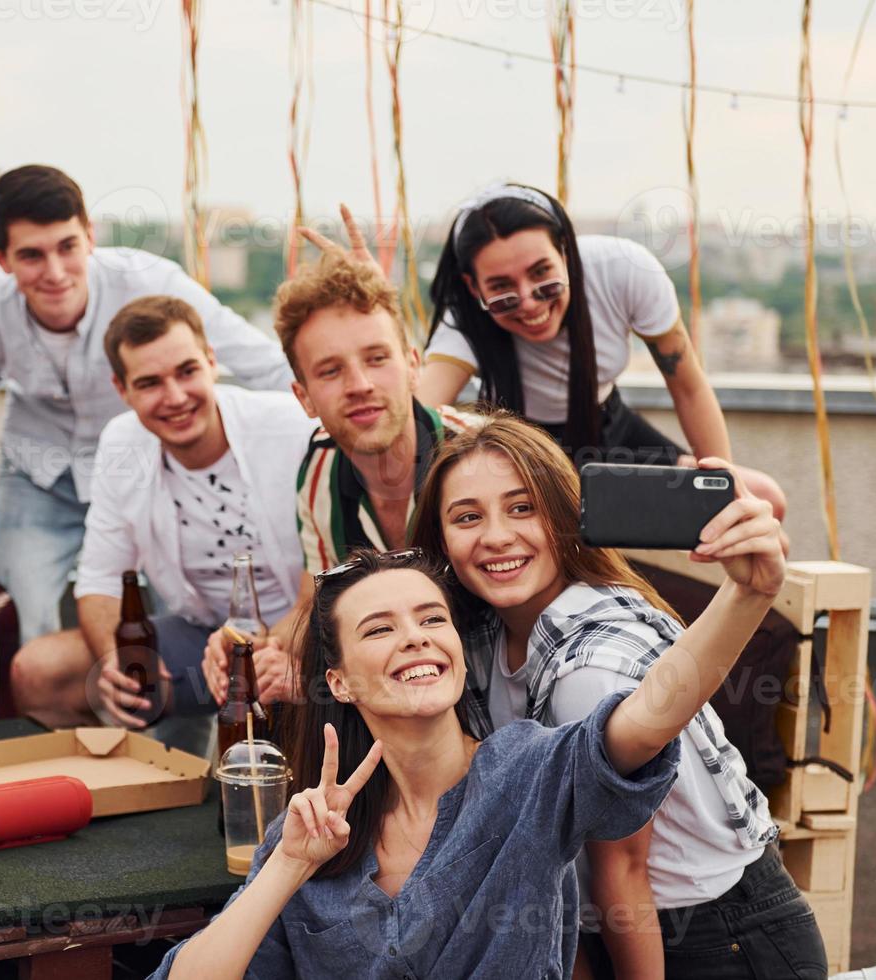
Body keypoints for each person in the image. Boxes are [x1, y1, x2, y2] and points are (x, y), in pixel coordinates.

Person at [153, 485, 788, 978]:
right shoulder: (308, 832)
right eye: (378, 629)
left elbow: (648, 716)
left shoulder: (528, 773)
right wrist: (288, 866)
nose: (414, 637)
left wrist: (747, 595)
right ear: (339, 682)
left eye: (432, 618)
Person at [409, 413, 825, 978]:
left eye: (522, 507)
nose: (497, 535)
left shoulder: (589, 672)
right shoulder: (483, 635)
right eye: (467, 517)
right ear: (440, 539)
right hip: (620, 922)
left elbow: (623, 873)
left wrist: (749, 591)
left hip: (712, 935)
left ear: (564, 516)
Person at [0, 165, 293, 643]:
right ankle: (62, 715)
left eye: (67, 247)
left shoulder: (152, 280)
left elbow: (253, 357)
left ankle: (173, 707)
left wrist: (337, 413)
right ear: (1, 257)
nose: (55, 273)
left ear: (90, 236)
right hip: (38, 474)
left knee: (177, 614)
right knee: (24, 613)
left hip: (145, 470)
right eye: (32, 256)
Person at [9, 295, 313, 744]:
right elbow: (99, 581)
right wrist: (114, 660)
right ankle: (129, 796)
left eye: (187, 372)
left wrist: (279, 646)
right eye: (150, 383)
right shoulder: (122, 442)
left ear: (211, 362)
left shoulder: (291, 427)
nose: (175, 398)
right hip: (200, 642)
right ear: (122, 389)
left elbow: (335, 567)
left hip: (302, 635)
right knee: (41, 671)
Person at [201, 218, 471, 710]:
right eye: (331, 370)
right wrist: (261, 647)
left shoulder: (481, 456)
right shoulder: (321, 472)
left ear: (413, 365)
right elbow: (315, 606)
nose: (360, 383)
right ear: (304, 397)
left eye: (376, 358)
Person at [416, 183, 785, 516]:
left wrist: (719, 486)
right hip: (523, 452)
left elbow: (688, 387)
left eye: (542, 274)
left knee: (765, 498)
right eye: (503, 288)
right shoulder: (464, 318)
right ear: (473, 285)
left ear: (566, 252)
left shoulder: (622, 271)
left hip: (609, 428)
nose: (529, 302)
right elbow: (417, 420)